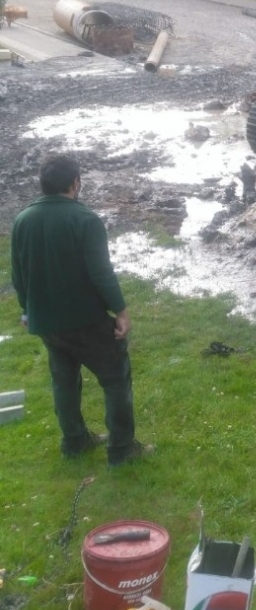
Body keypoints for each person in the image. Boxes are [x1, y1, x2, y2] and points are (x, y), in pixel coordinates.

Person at [10, 153, 150, 466]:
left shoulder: (22, 220)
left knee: (63, 380)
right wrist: (121, 312)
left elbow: (18, 275)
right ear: (75, 183)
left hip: (47, 323)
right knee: (115, 378)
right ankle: (121, 449)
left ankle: (74, 441)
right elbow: (102, 273)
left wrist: (26, 310)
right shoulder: (85, 220)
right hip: (87, 320)